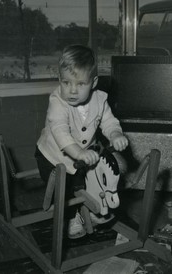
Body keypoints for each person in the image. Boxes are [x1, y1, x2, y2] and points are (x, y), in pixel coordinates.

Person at [35, 44, 128, 239]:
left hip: (82, 156)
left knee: (87, 182)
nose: (72, 90)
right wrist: (78, 152)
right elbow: (60, 131)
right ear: (59, 79)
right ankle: (69, 217)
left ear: (93, 83)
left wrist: (116, 135)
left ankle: (92, 210)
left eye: (80, 84)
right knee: (63, 191)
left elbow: (109, 121)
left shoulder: (100, 99)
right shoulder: (57, 102)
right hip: (52, 156)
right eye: (66, 82)